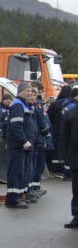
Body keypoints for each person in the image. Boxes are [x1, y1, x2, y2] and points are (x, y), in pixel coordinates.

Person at [4, 83, 39, 209]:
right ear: (20, 91)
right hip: (18, 145)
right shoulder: (18, 105)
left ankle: (19, 195)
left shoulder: (24, 104)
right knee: (16, 172)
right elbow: (16, 126)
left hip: (25, 145)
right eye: (27, 91)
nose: (30, 93)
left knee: (22, 172)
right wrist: (23, 141)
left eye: (31, 91)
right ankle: (12, 199)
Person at [57, 89, 78, 227]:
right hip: (76, 156)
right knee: (76, 188)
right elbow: (64, 135)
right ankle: (76, 216)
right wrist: (63, 155)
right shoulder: (71, 113)